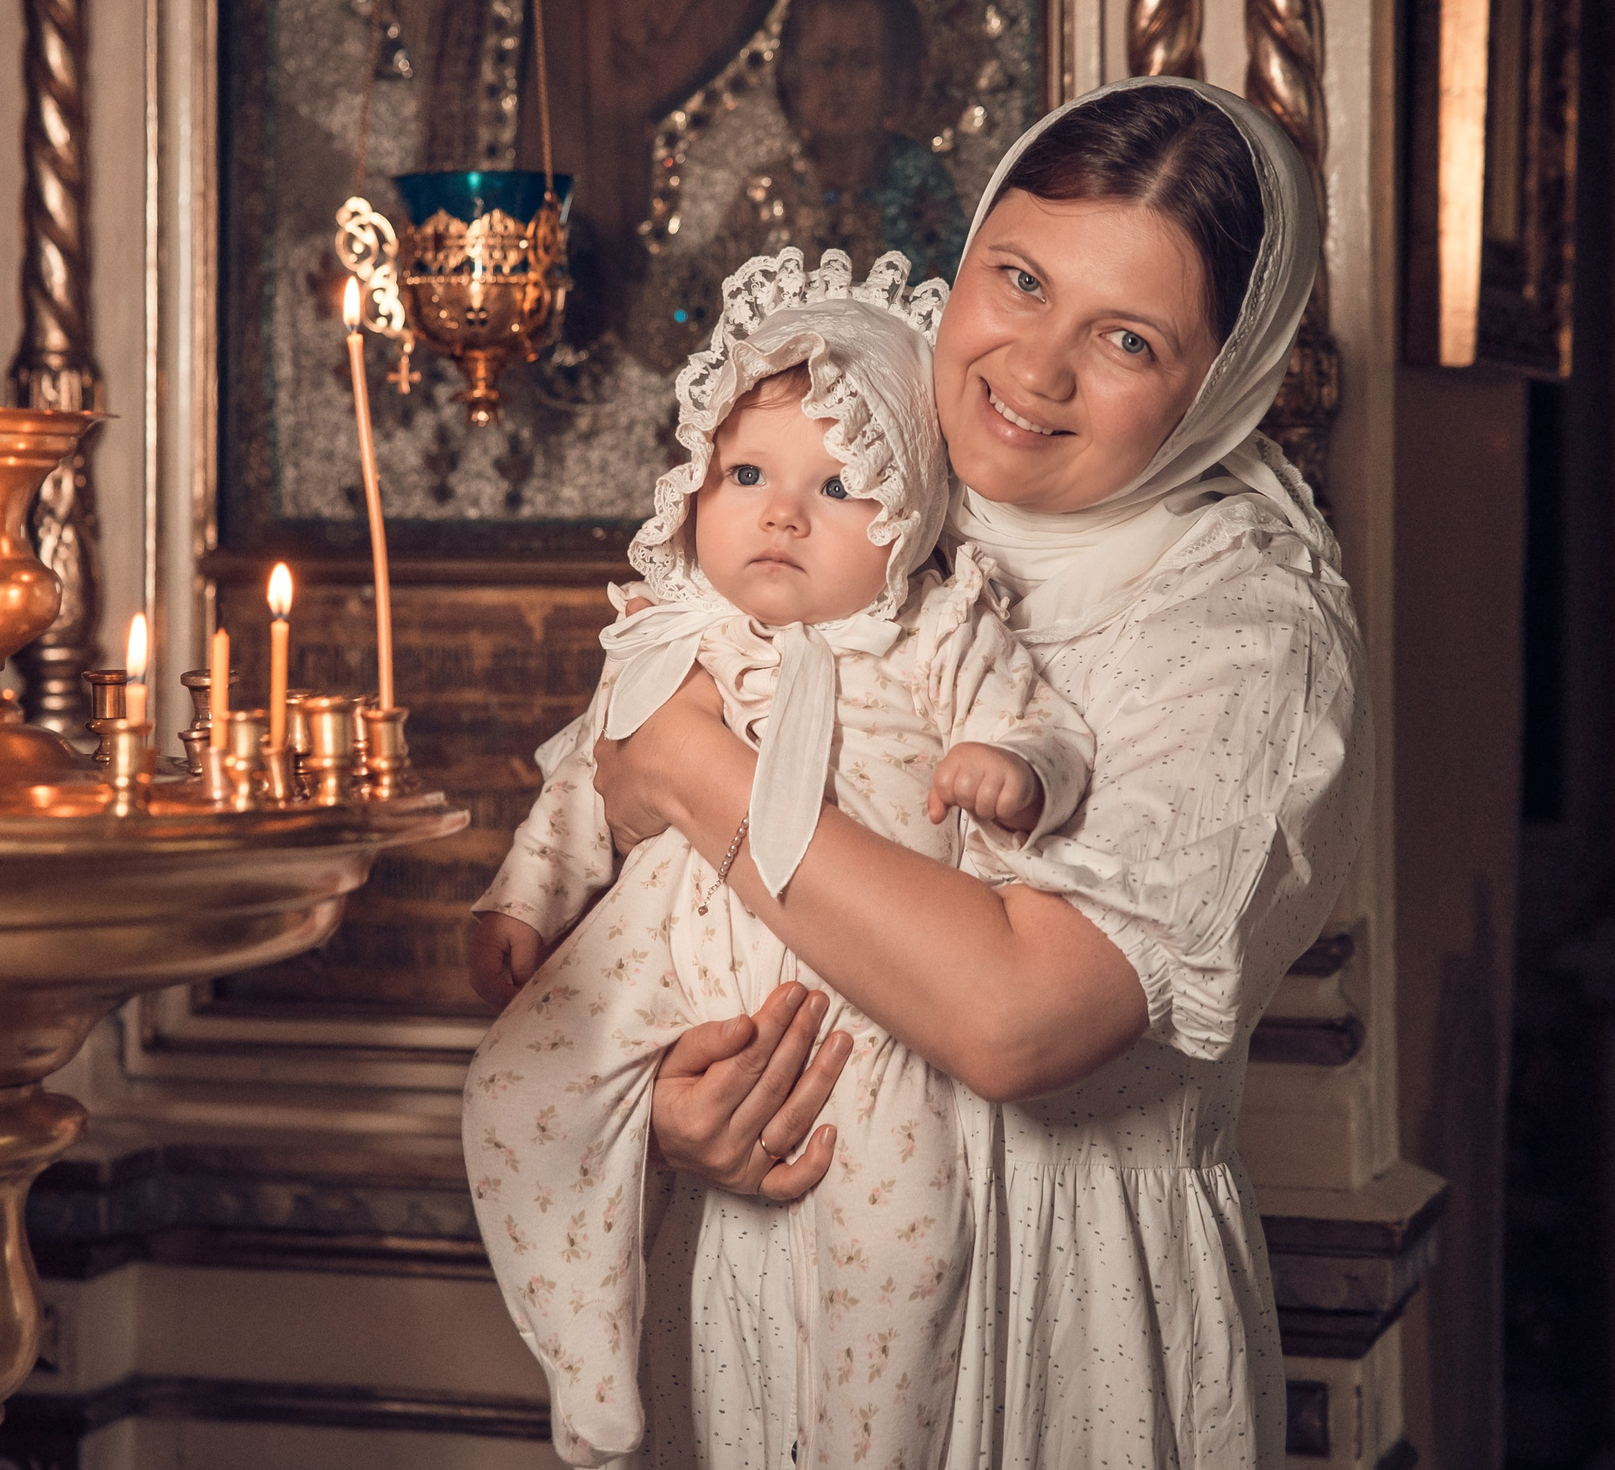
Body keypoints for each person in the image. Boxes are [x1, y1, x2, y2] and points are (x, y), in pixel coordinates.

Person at [587, 77, 1368, 1465]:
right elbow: (652, 907)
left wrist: (693, 768)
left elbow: (1019, 1016)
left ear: (1223, 380)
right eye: (1017, 278)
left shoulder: (1245, 624)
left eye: (1126, 338)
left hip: (1070, 1303)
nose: (1033, 368)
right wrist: (669, 1101)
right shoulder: (857, 499)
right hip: (779, 1265)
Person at [463, 250, 1094, 1467]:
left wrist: (1011, 772)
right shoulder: (670, 638)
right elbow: (584, 787)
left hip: (865, 1001)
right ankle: (585, 1363)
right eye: (744, 473)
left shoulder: (930, 628)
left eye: (841, 484)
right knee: (516, 1088)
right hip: (664, 948)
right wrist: (523, 900)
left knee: (901, 1241)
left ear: (910, 509)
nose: (779, 511)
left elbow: (1039, 727)